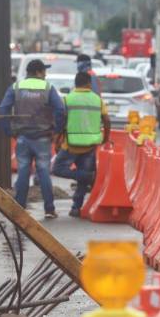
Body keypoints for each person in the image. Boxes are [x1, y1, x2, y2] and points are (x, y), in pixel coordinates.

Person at [0, 59, 65, 219]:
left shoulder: (16, 87)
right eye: (44, 71)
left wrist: (9, 131)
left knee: (23, 171)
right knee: (43, 172)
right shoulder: (48, 88)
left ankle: (19, 207)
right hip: (42, 138)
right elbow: (60, 110)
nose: (45, 74)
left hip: (22, 137)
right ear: (38, 72)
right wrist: (57, 130)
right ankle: (49, 209)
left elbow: (3, 109)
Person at [52, 71, 111, 217]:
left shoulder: (68, 99)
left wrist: (57, 139)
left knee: (57, 168)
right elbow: (107, 120)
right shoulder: (97, 100)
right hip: (90, 145)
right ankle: (76, 207)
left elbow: (61, 122)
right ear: (89, 84)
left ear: (75, 84)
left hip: (71, 144)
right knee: (84, 178)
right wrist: (105, 137)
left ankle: (84, 178)